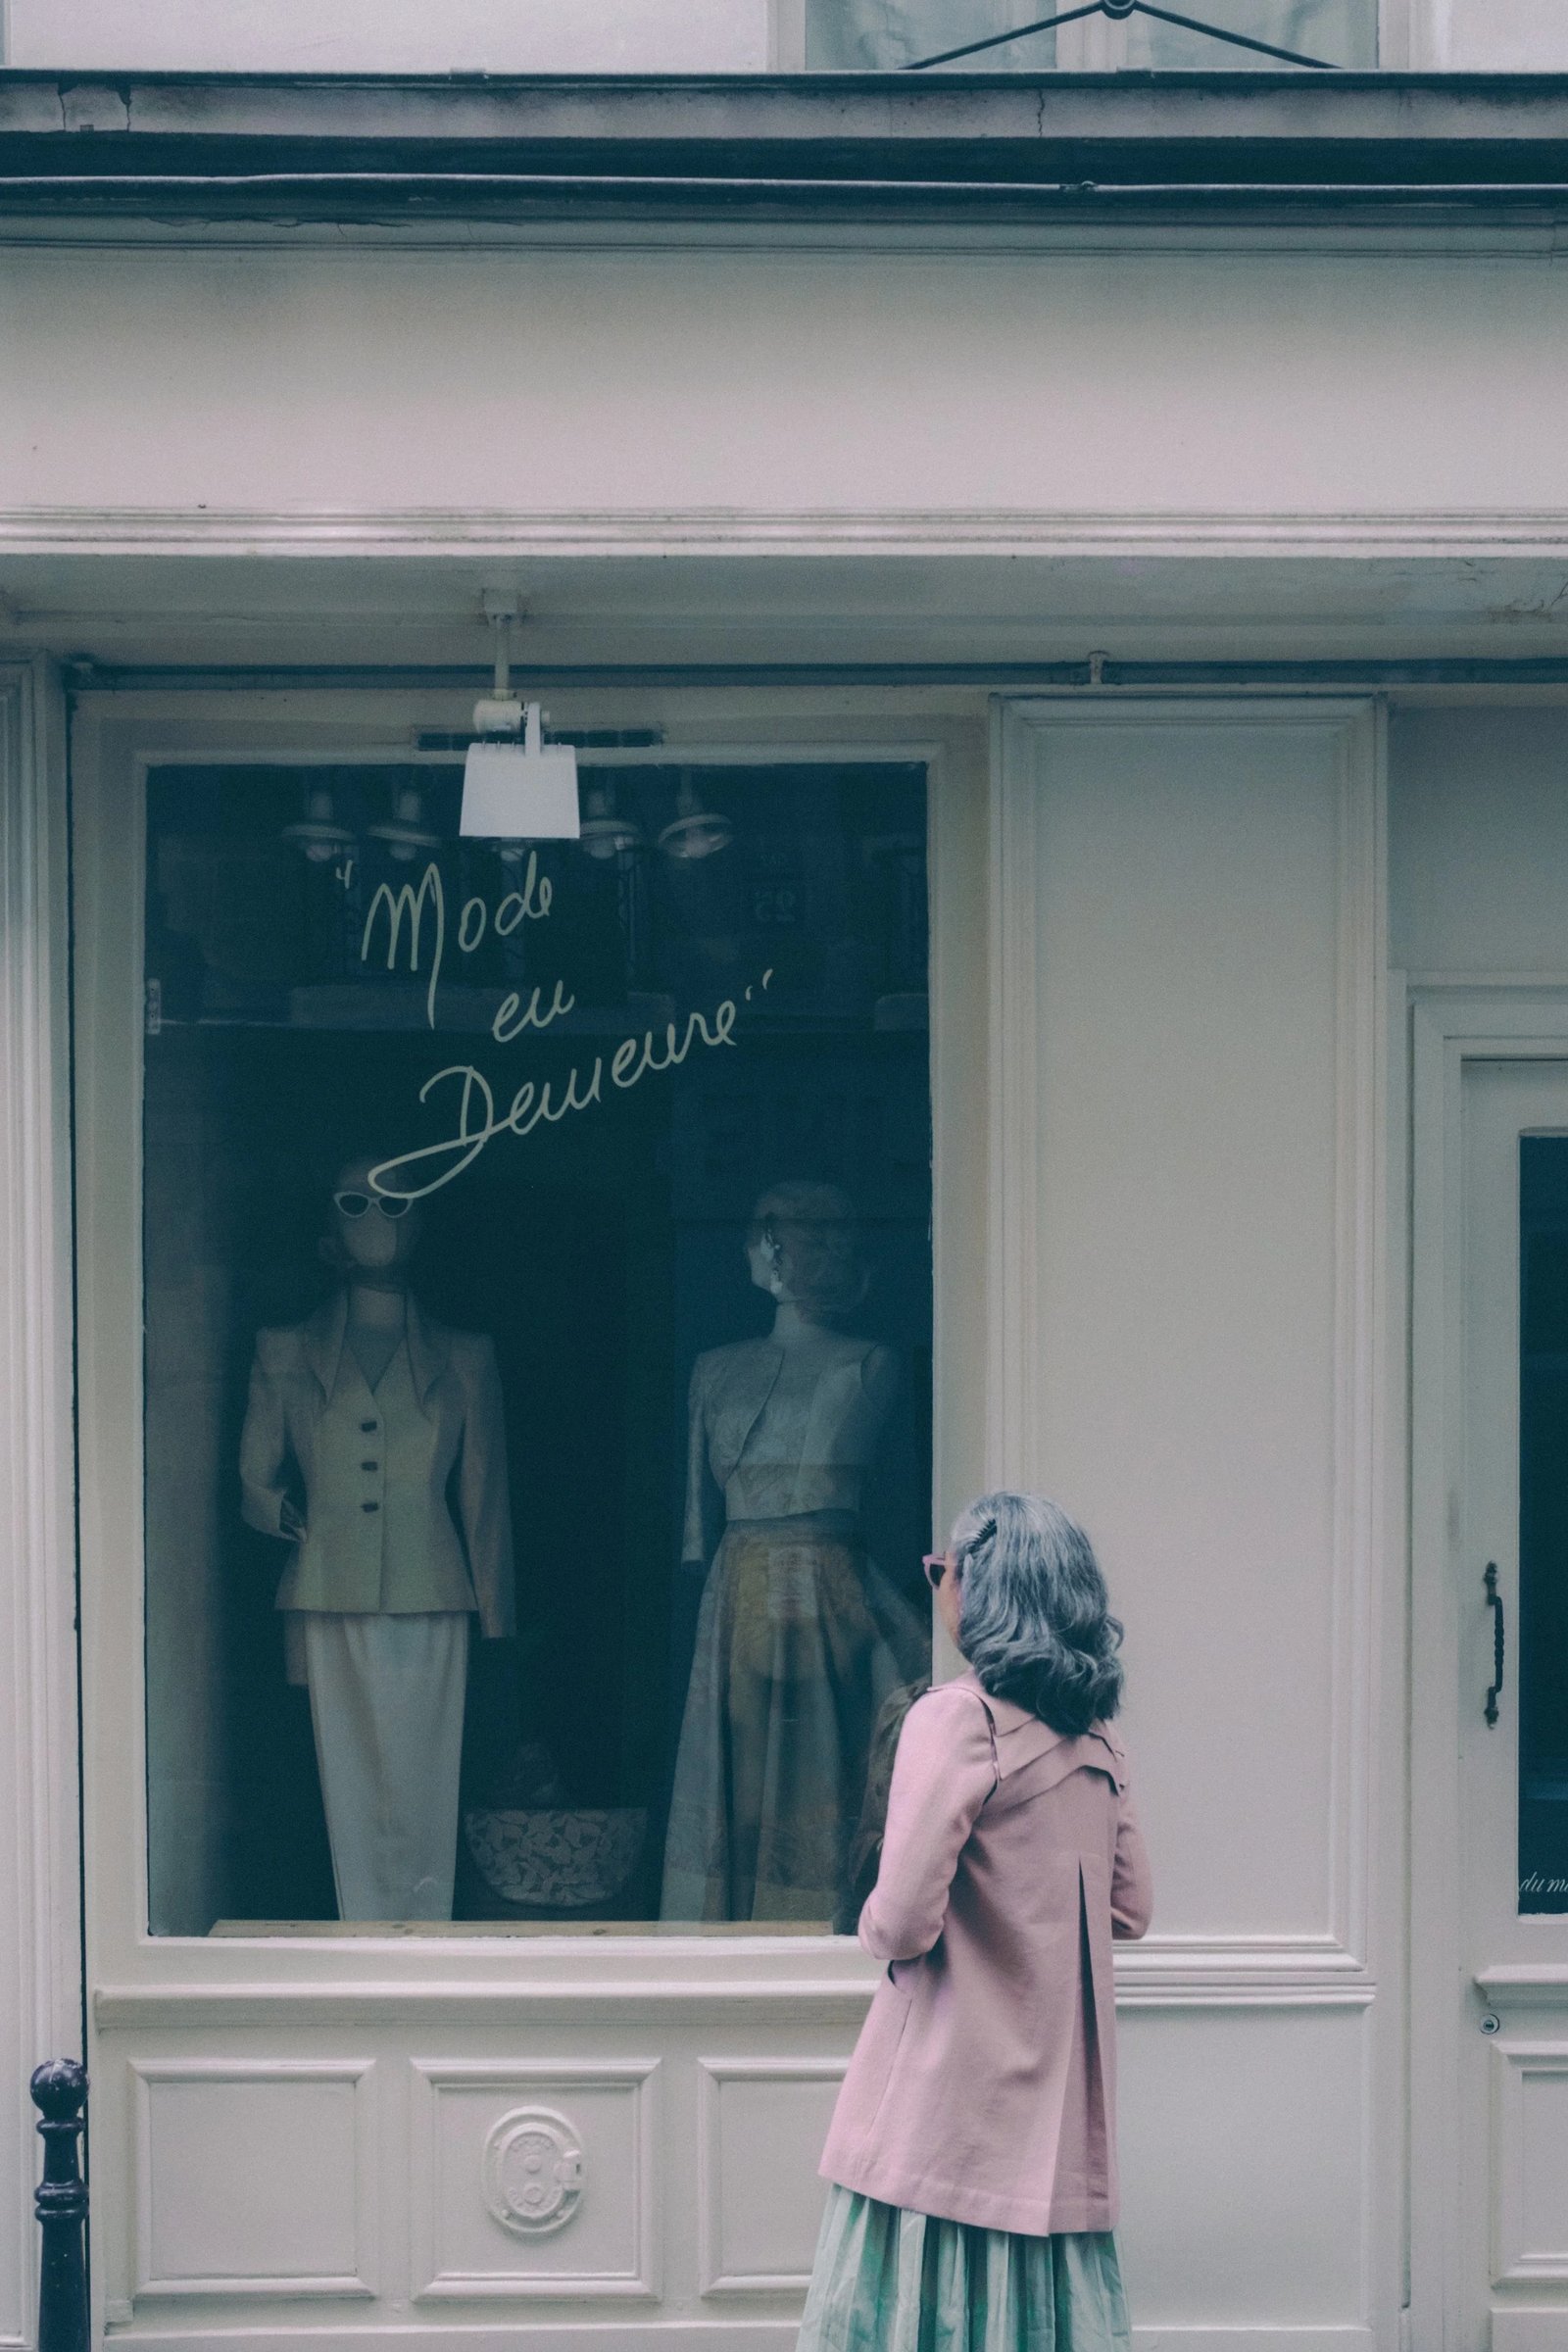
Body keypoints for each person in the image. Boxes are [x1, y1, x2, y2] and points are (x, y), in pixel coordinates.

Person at [800, 1490, 1152, 2352]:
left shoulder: (957, 1717)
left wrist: (875, 1926)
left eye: (942, 1572)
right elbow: (1132, 1907)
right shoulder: (1097, 1742)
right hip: (1053, 2125)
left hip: (941, 2108)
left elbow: (905, 1921)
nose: (938, 1589)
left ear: (983, 1589)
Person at [239, 1153, 515, 1922]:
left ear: (423, 1220)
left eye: (398, 1203)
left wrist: (496, 1609)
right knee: (348, 1780)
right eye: (357, 1202)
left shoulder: (465, 1356)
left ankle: (426, 1943)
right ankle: (363, 1940)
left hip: (434, 1585)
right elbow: (255, 1475)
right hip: (326, 1584)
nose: (377, 1219)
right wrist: (277, 1511)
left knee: (430, 1773)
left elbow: (485, 1494)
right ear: (329, 1224)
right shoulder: (285, 1351)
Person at [661, 1181, 929, 1924]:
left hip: (824, 1583)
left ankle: (807, 1922)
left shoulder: (871, 1362)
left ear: (789, 1248)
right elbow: (699, 1509)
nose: (751, 1247)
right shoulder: (714, 1368)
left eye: (766, 1233)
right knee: (738, 1767)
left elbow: (892, 1497)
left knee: (821, 1767)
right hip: (739, 1585)